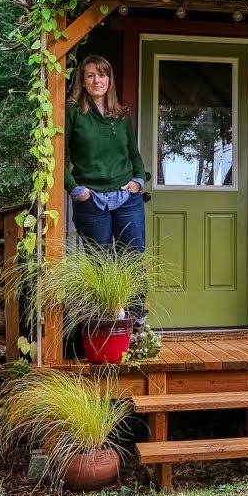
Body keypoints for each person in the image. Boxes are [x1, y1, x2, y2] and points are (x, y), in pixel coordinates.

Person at [64, 54, 148, 323]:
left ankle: (135, 323)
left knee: (132, 258)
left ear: (109, 79)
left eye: (102, 75)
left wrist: (138, 180)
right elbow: (58, 154)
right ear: (83, 80)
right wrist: (75, 189)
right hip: (92, 199)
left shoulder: (120, 115)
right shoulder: (72, 112)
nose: (97, 80)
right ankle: (105, 322)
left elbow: (133, 153)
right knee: (99, 262)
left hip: (127, 197)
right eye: (90, 75)